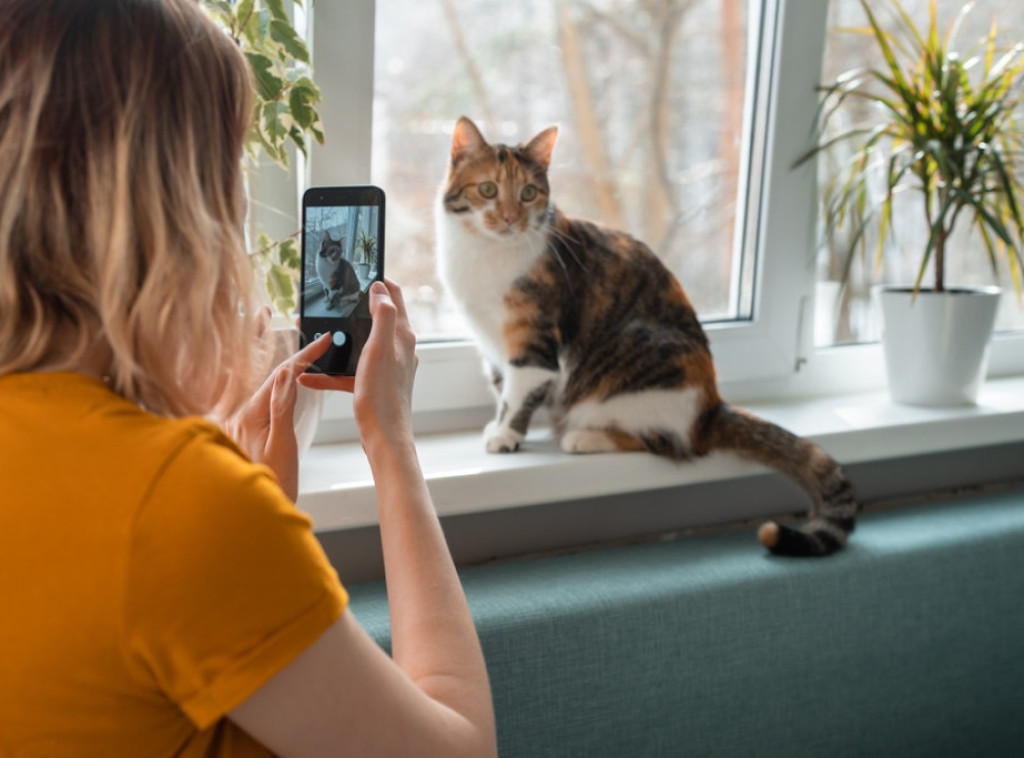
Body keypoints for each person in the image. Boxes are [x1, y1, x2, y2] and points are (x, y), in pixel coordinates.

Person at [0, 1, 497, 756]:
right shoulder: (178, 506)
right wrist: (390, 439)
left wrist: (248, 504)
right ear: (177, 204)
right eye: (229, 163)